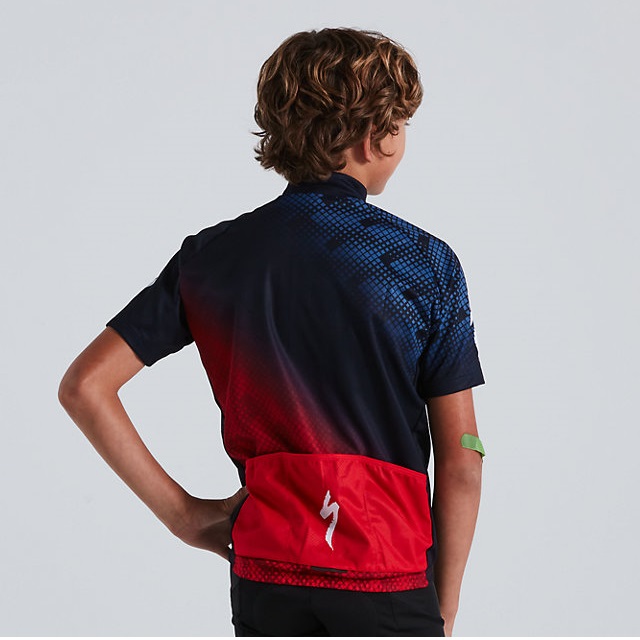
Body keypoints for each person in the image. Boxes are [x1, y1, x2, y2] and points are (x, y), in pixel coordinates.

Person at [58, 27, 486, 637]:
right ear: (375, 135)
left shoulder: (211, 258)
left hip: (268, 578)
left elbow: (85, 386)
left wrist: (183, 517)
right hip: (387, 578)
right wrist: (443, 606)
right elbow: (463, 460)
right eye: (402, 123)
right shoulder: (423, 263)